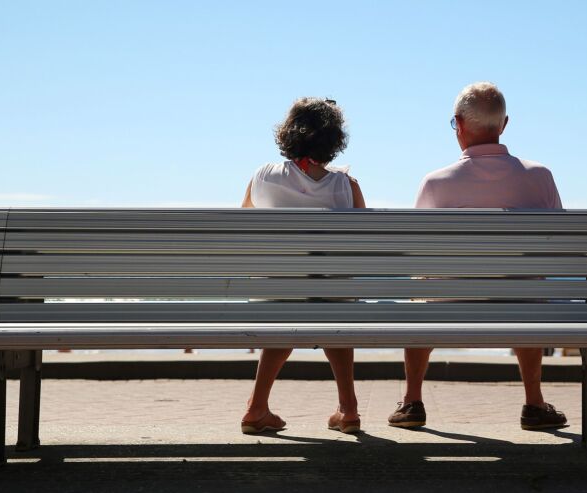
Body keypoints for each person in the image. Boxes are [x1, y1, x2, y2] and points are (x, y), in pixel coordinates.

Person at [388, 82, 568, 431]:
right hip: (521, 306)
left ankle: (412, 401)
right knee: (532, 287)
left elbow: (415, 256)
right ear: (503, 125)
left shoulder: (435, 182)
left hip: (446, 307)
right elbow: (557, 248)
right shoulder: (540, 177)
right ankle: (534, 403)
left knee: (419, 288)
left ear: (459, 123)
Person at [240, 97, 365, 435]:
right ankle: (348, 409)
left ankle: (256, 407)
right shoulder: (347, 186)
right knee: (335, 305)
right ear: (333, 140)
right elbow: (363, 245)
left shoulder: (263, 176)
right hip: (332, 301)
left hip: (275, 298)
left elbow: (242, 226)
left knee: (286, 301)